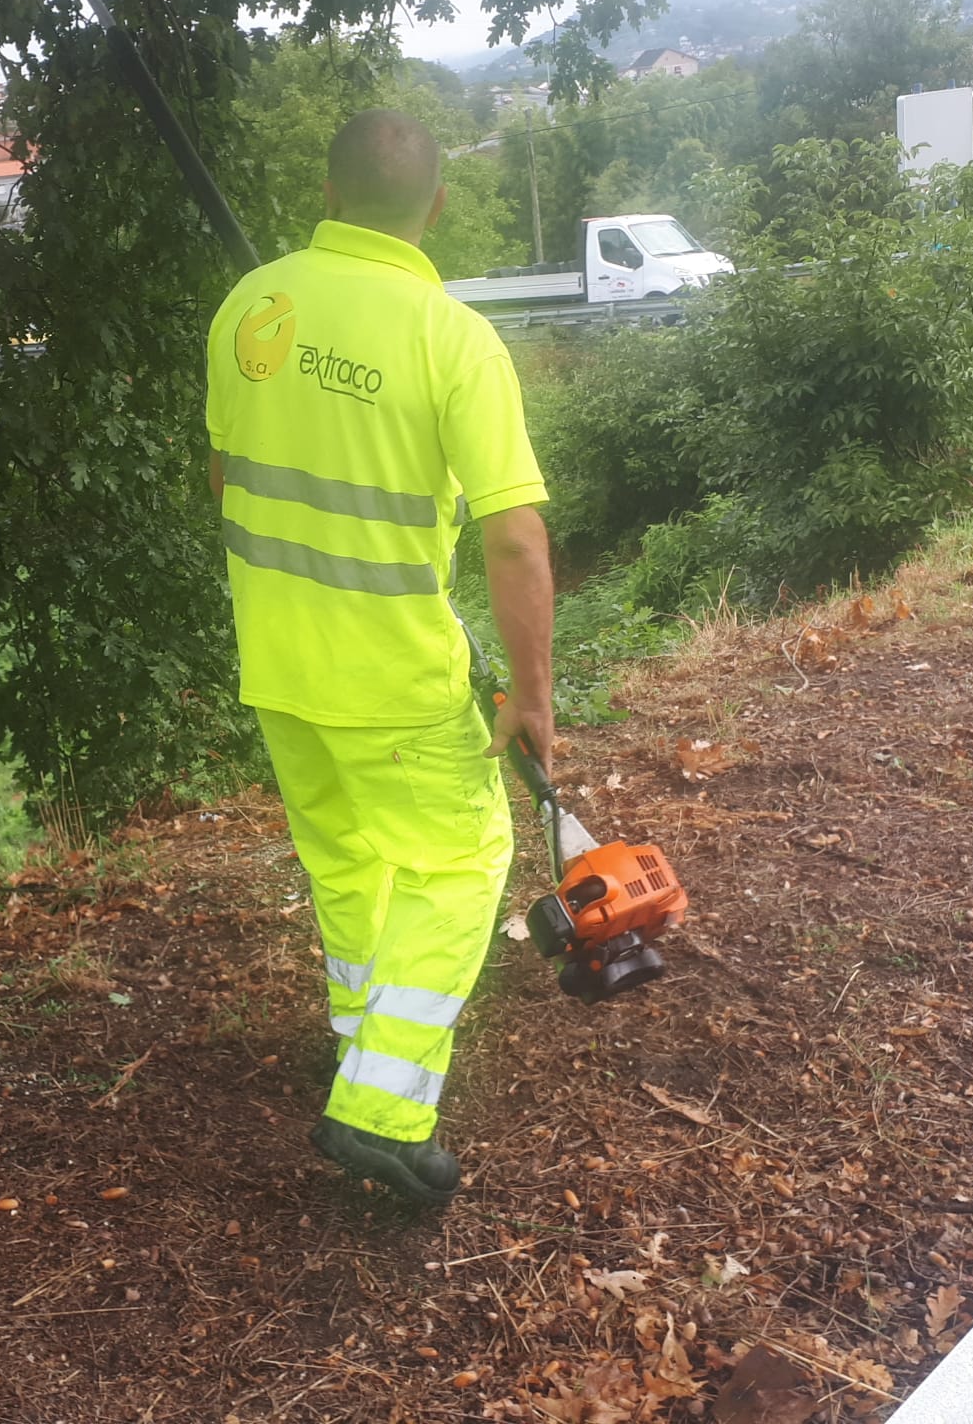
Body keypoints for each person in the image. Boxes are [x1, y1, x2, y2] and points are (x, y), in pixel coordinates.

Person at [204, 108, 554, 1206]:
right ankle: (380, 1107)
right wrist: (534, 691)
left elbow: (225, 482)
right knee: (462, 863)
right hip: (393, 674)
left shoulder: (248, 305)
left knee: (350, 863)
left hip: (277, 662)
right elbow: (510, 533)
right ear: (437, 205)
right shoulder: (450, 337)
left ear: (331, 187)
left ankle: (362, 1039)